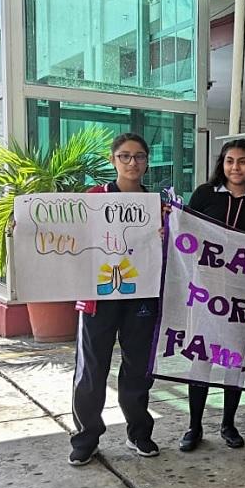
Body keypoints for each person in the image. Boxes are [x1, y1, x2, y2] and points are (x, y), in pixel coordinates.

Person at [69, 133, 162, 466]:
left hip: (142, 296)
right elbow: (68, 233)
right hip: (99, 296)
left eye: (139, 156)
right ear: (113, 160)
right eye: (125, 156)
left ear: (147, 160)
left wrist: (167, 234)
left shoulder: (158, 205)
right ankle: (86, 437)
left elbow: (175, 249)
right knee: (92, 369)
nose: (132, 163)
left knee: (138, 368)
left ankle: (139, 432)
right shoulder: (94, 197)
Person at [179, 139, 245, 452]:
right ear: (222, 163)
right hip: (204, 291)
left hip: (241, 293)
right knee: (201, 359)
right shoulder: (205, 194)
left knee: (234, 360)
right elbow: (185, 232)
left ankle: (228, 423)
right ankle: (194, 427)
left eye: (243, 161)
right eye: (230, 161)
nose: (236, 168)